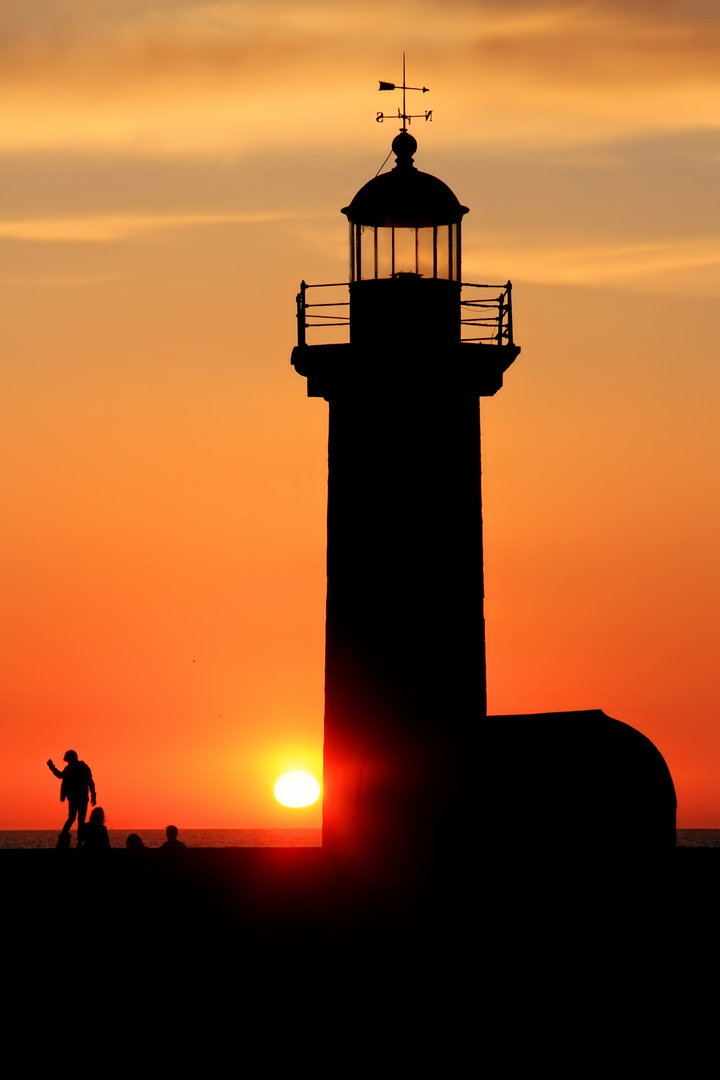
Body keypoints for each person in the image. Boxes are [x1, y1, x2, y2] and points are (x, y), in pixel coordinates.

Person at [47, 750, 96, 846]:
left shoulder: (79, 768)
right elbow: (90, 782)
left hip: (77, 798)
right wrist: (93, 795)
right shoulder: (79, 767)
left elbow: (90, 782)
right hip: (77, 798)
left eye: (68, 760)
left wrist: (93, 795)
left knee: (75, 819)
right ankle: (74, 841)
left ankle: (76, 841)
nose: (68, 763)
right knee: (76, 819)